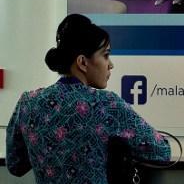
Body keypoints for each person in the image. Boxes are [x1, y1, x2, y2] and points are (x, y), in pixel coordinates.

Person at [5, 14, 170, 183]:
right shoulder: (106, 104)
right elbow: (161, 152)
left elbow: (15, 165)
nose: (110, 64)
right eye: (105, 55)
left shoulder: (28, 102)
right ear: (82, 62)